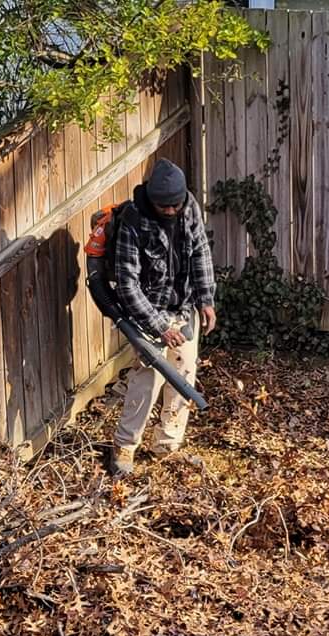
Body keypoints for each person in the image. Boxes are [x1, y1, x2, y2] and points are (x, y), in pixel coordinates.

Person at [110, 158, 217, 476]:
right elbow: (127, 284)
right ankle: (125, 447)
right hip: (147, 314)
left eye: (175, 205)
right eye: (163, 206)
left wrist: (206, 299)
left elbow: (200, 252)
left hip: (183, 308)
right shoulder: (133, 221)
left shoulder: (190, 208)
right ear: (152, 199)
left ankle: (167, 446)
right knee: (148, 378)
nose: (170, 211)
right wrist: (158, 326)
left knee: (183, 375)